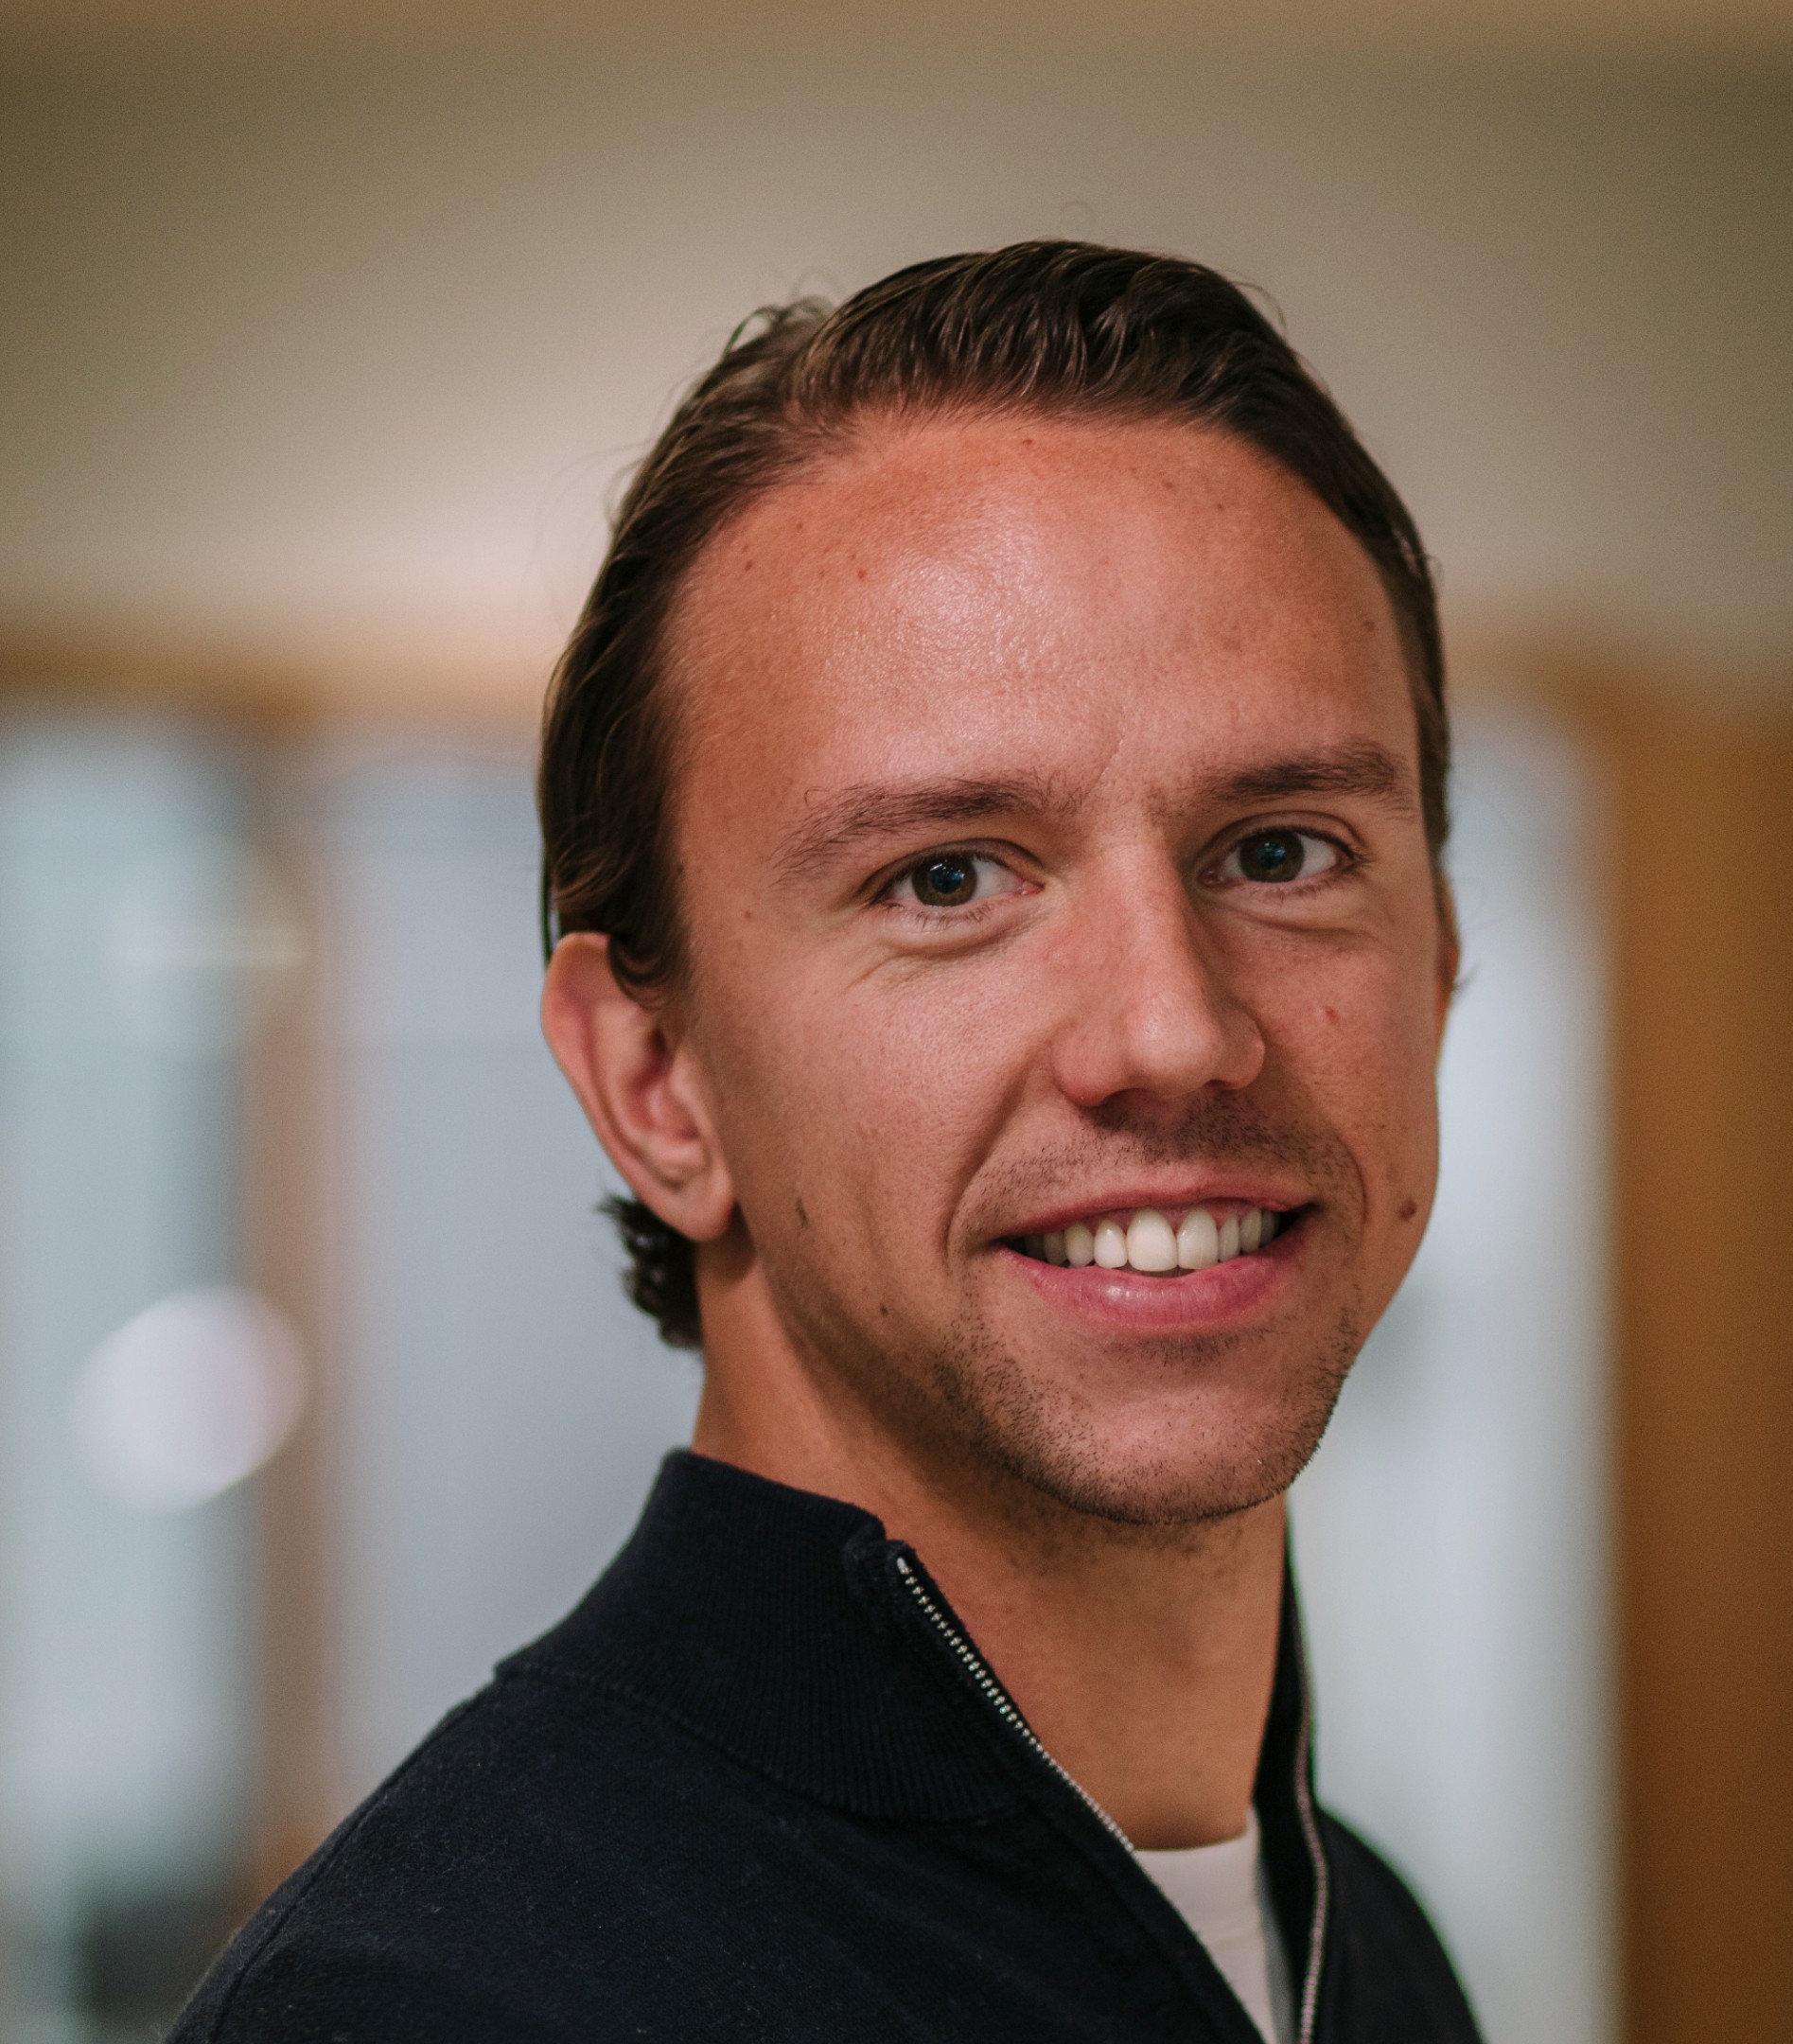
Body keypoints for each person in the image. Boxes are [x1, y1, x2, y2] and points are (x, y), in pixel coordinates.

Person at [173, 242, 1479, 2043]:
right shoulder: (437, 2008)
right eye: (948, 879)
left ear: (1445, 957)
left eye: (1282, 850)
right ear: (656, 1079)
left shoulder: (1370, 1954)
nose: (1174, 1031)